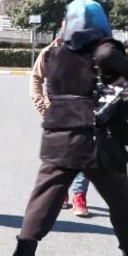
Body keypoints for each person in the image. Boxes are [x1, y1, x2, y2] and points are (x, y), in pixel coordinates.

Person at [7, 0, 128, 256]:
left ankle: (23, 255)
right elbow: (127, 84)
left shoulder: (54, 54)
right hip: (97, 139)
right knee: (121, 202)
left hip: (57, 135)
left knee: (44, 197)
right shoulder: (107, 50)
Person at [29, 25, 91, 217]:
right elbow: (36, 78)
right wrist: (42, 106)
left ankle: (79, 195)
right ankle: (61, 193)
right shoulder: (49, 52)